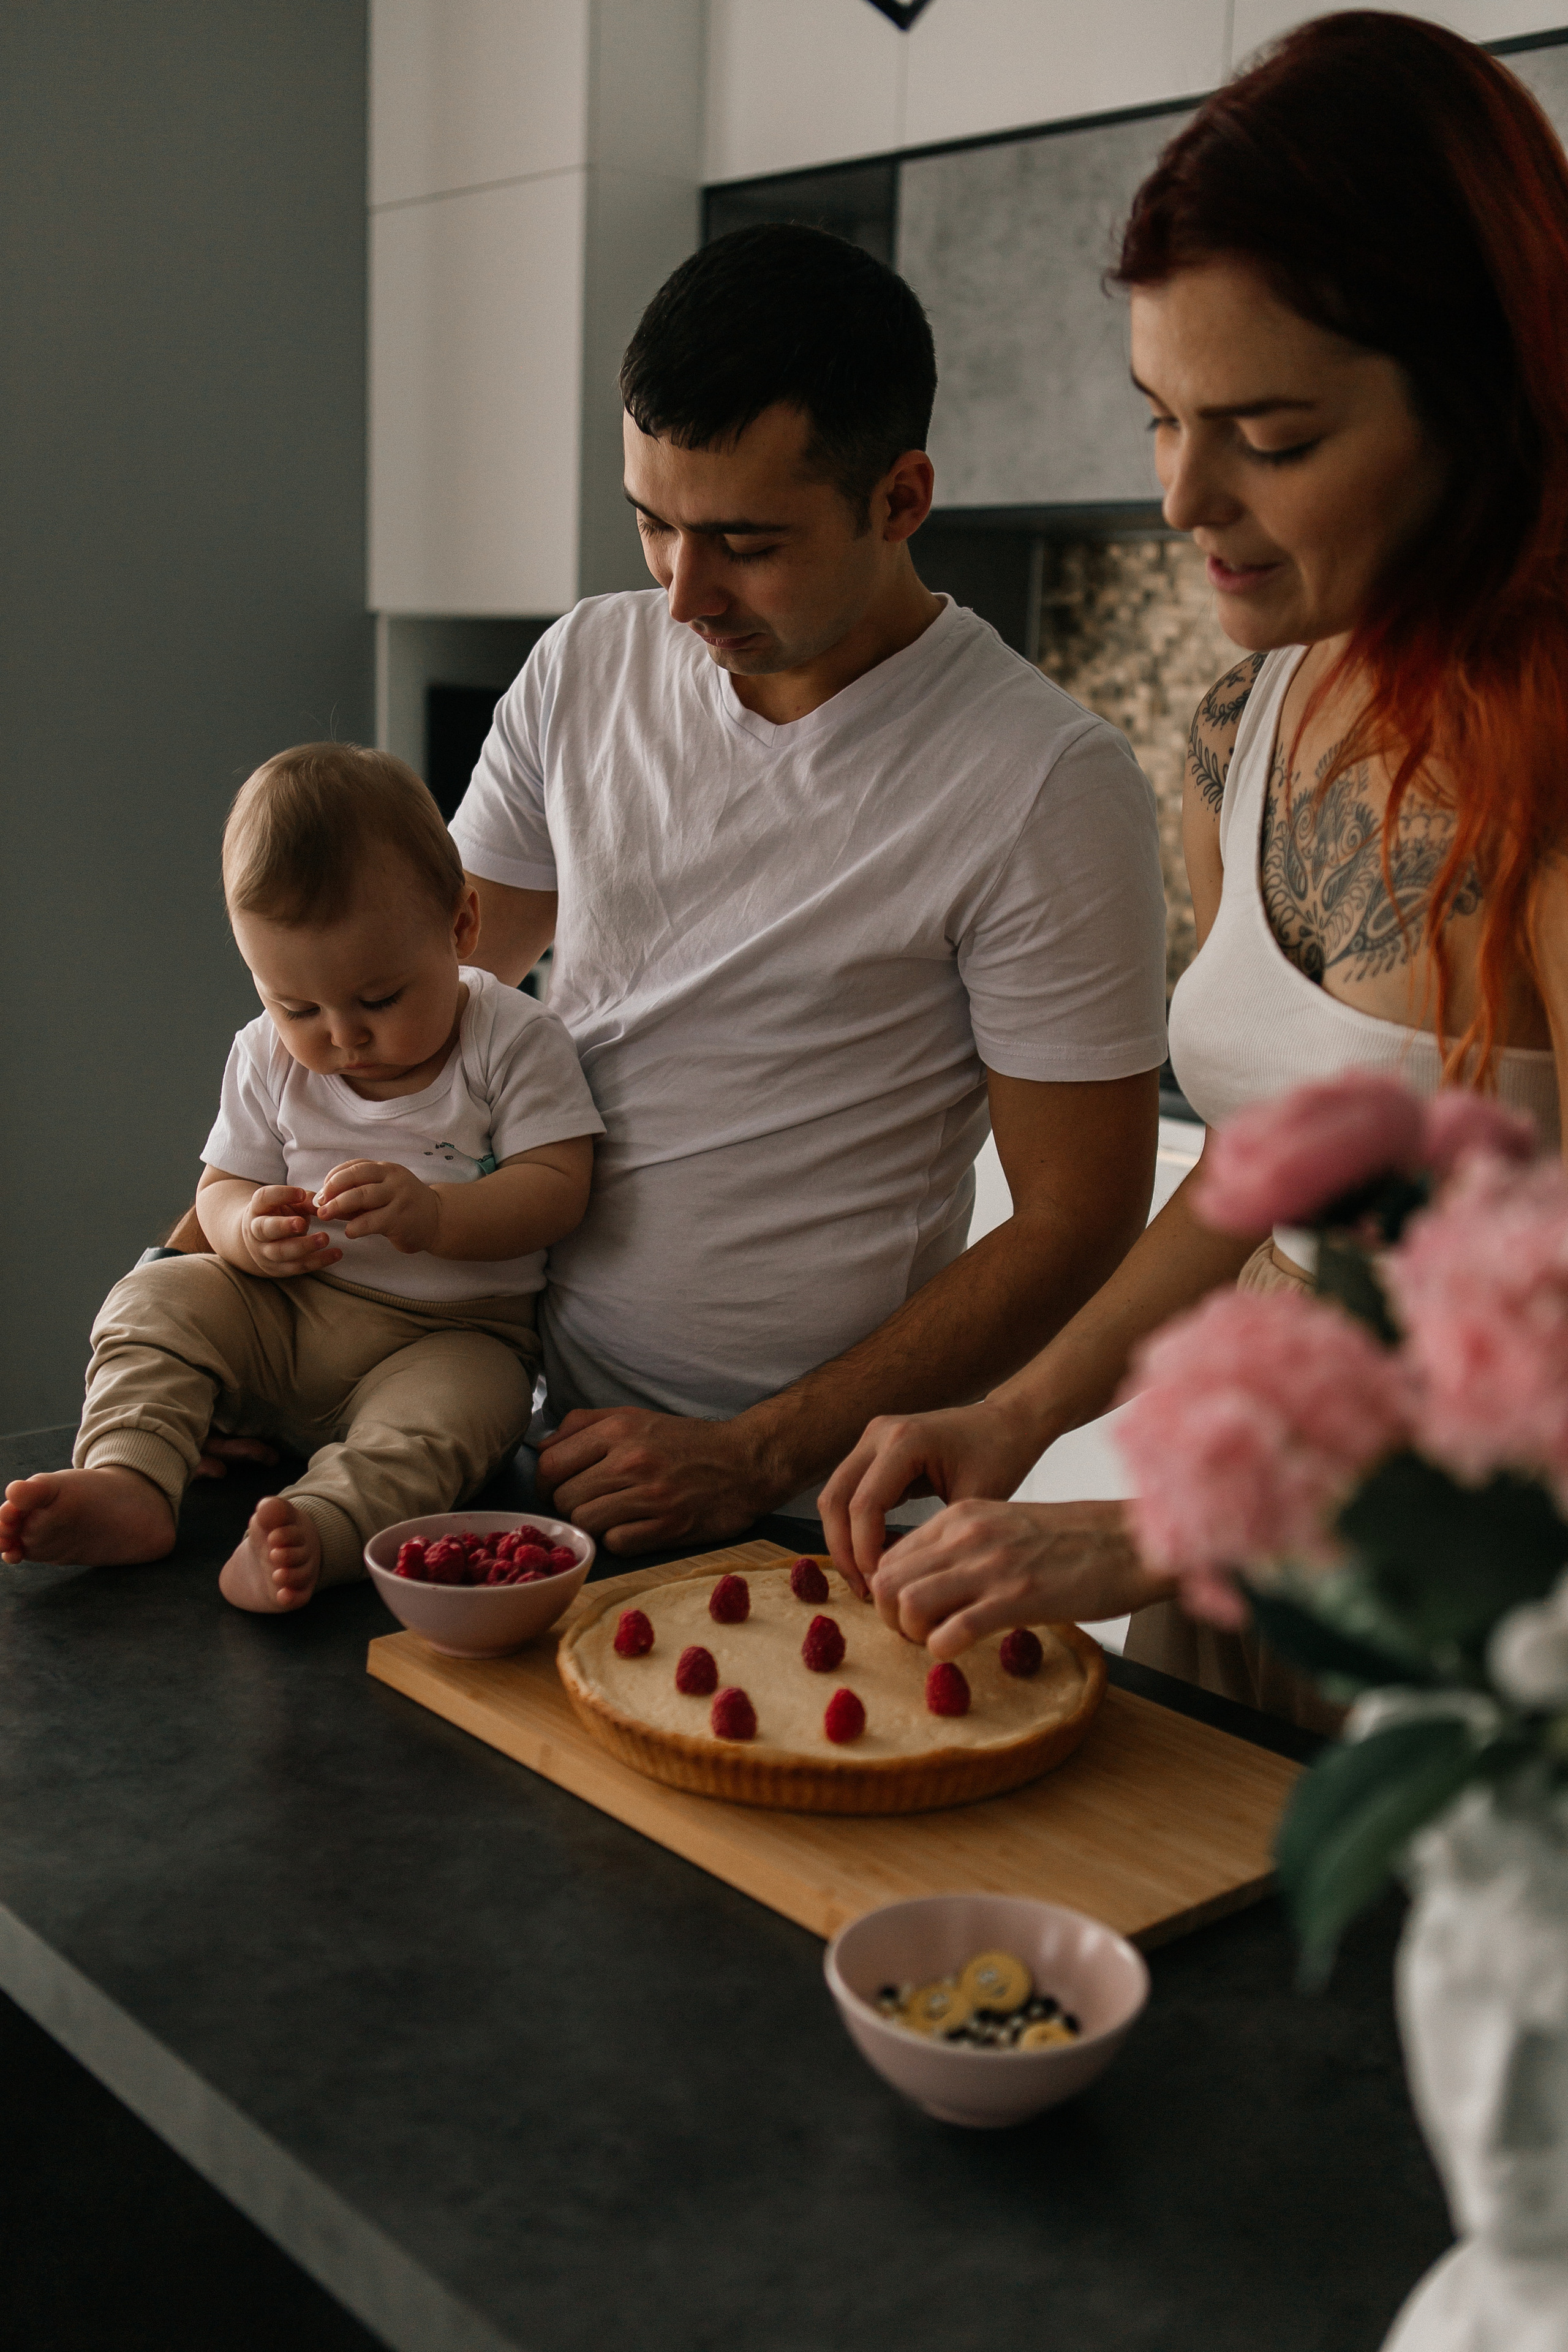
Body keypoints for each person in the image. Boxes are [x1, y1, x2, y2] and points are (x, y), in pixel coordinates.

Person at [818, 11, 1568, 1725]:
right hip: (1249, 1580)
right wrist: (1023, 1410)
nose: (1181, 496)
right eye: (1162, 415)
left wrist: (1156, 1527)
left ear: (1487, 398)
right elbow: (1262, 1178)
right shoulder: (1255, 714)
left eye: (1273, 437)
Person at [445, 221, 1169, 1555]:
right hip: (514, 1416)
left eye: (743, 543)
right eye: (651, 525)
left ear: (898, 499)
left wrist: (751, 1454)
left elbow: (1079, 1217)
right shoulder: (582, 667)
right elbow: (427, 990)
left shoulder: (1044, 781)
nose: (679, 595)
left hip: (799, 1502)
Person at [0, 745, 602, 1610]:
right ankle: (129, 1478)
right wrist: (249, 1229)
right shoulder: (263, 1057)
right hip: (284, 1317)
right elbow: (218, 1191)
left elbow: (558, 1187)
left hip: (450, 1335)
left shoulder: (513, 1041)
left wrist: (436, 1216)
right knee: (151, 1301)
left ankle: (320, 1530)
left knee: (459, 1417)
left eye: (381, 999)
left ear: (462, 926)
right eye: (298, 1008)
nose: (342, 1037)